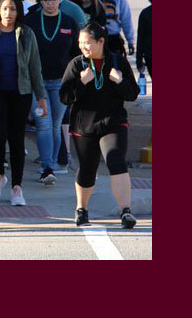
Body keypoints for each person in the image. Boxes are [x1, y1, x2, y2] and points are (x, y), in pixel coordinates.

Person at [60, 22, 140, 229]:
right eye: (80, 43)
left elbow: (132, 94)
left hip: (113, 123)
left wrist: (120, 81)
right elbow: (65, 97)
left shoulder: (118, 63)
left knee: (116, 160)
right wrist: (81, 82)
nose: (83, 47)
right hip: (84, 126)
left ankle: (125, 211)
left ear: (101, 42)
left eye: (87, 43)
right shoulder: (77, 65)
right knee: (87, 168)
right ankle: (81, 209)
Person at [0, 0, 48, 206]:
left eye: (14, 9)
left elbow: (35, 67)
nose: (9, 13)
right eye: (5, 8)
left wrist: (41, 98)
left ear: (19, 12)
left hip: (21, 92)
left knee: (17, 140)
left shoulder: (27, 34)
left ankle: (17, 187)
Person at [25, 0, 80, 179]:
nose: (50, 4)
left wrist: (76, 80)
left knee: (56, 125)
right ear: (40, 1)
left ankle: (55, 162)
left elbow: (77, 54)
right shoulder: (30, 22)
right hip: (36, 83)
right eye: (46, 0)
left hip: (61, 83)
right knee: (44, 124)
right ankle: (46, 166)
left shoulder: (68, 22)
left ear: (60, 0)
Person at [136, 0, 152, 78]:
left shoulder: (145, 14)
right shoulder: (146, 14)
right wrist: (139, 60)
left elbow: (140, 39)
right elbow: (141, 38)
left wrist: (139, 60)